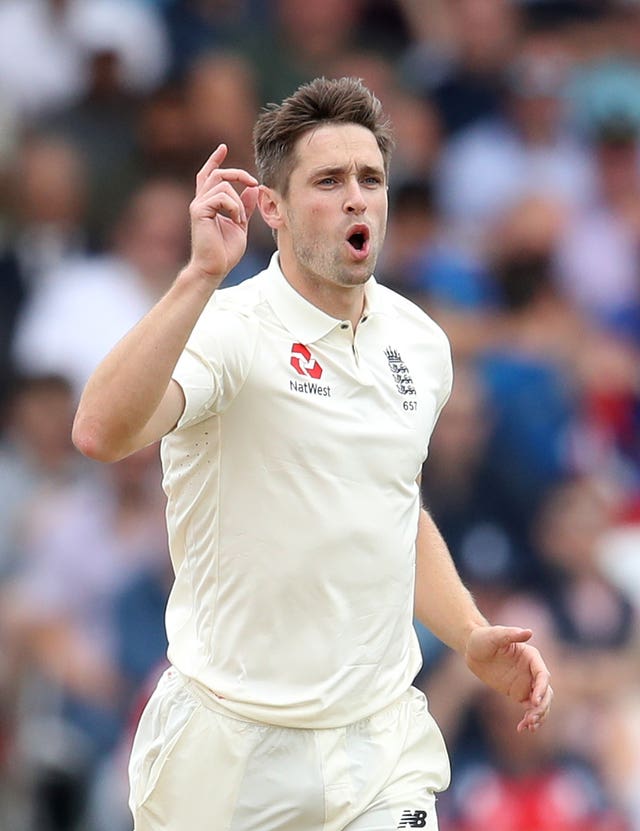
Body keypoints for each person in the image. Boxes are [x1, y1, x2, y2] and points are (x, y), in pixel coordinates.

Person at [72, 76, 553, 831]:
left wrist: (468, 632)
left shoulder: (421, 343)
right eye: (328, 181)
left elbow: (393, 505)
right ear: (274, 208)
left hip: (379, 742)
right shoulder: (230, 326)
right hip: (232, 750)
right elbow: (99, 432)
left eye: (371, 179)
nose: (357, 198)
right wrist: (198, 274)